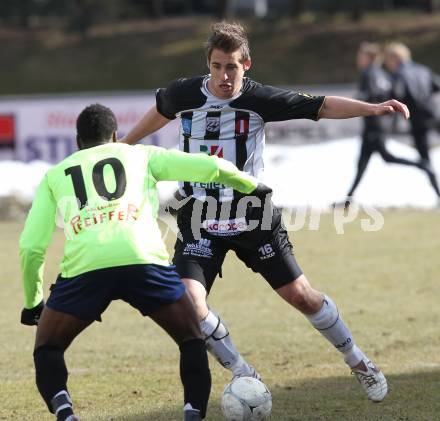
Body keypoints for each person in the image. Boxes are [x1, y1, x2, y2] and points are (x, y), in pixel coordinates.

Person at [122, 22, 411, 402]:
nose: (224, 77)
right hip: (198, 219)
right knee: (190, 305)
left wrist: (372, 108)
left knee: (302, 296)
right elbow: (160, 111)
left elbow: (320, 106)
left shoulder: (260, 99)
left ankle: (358, 361)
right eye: (217, 66)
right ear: (208, 64)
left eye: (232, 67)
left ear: (247, 65)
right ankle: (243, 373)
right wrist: (123, 146)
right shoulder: (183, 94)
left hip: (252, 215)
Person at [19, 103, 268, 421]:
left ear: (78, 141)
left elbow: (31, 247)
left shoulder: (55, 175)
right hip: (144, 260)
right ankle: (193, 414)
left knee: (48, 348)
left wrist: (33, 302)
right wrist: (251, 186)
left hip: (86, 268)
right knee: (191, 339)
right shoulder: (142, 155)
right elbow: (209, 166)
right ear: (114, 135)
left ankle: (66, 414)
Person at [341, 42, 432, 205]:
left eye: (360, 55)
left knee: (382, 158)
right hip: (381, 124)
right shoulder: (383, 74)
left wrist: (354, 102)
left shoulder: (370, 74)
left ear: (369, 57)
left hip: (374, 125)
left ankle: (421, 164)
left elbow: (373, 96)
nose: (358, 59)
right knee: (365, 162)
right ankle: (348, 199)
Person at [384, 42, 440, 199]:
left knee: (425, 159)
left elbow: (397, 94)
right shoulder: (422, 69)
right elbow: (436, 86)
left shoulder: (398, 74)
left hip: (417, 119)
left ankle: (438, 194)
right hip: (434, 114)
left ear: (394, 58)